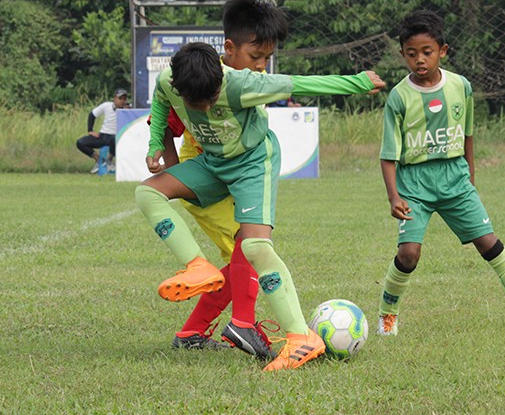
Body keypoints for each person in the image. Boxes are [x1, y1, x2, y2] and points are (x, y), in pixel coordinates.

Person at [138, 42, 385, 371]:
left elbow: (301, 83)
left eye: (212, 99)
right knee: (147, 193)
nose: (206, 108)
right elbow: (160, 101)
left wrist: (357, 82)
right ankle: (196, 266)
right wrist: (155, 144)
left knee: (254, 247)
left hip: (252, 165)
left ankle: (301, 337)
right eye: (197, 104)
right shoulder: (168, 80)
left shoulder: (242, 84)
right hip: (213, 164)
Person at [377, 10, 505, 337]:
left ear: (443, 51)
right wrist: (394, 196)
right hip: (414, 183)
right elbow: (388, 154)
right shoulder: (399, 97)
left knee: (489, 244)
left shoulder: (461, 86)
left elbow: (468, 135)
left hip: (456, 179)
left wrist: (470, 178)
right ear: (403, 54)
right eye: (412, 53)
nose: (420, 60)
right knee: (409, 254)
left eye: (427, 52)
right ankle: (388, 314)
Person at [152, 0, 289, 357]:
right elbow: (162, 119)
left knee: (247, 252)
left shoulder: (244, 79)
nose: (261, 66)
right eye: (256, 56)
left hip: (236, 173)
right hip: (206, 173)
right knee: (249, 250)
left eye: (266, 58)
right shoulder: (199, 82)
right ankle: (240, 326)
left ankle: (195, 332)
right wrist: (174, 170)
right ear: (230, 48)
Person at [76, 89, 128, 173]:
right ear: (115, 98)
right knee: (80, 142)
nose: (122, 101)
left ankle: (109, 161)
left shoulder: (128, 110)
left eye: (124, 99)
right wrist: (90, 130)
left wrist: (127, 111)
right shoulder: (106, 106)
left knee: (114, 138)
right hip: (103, 135)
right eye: (120, 98)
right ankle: (99, 160)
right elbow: (92, 115)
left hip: (117, 137)